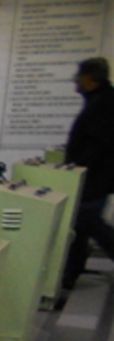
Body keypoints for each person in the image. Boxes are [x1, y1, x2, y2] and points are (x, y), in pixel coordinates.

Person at [62, 57, 114, 289]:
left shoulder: (103, 104)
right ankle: (70, 275)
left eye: (80, 76)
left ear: (91, 78)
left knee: (88, 223)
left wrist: (77, 167)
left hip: (93, 178)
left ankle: (69, 276)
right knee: (83, 227)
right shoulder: (101, 100)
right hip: (95, 177)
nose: (77, 81)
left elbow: (98, 145)